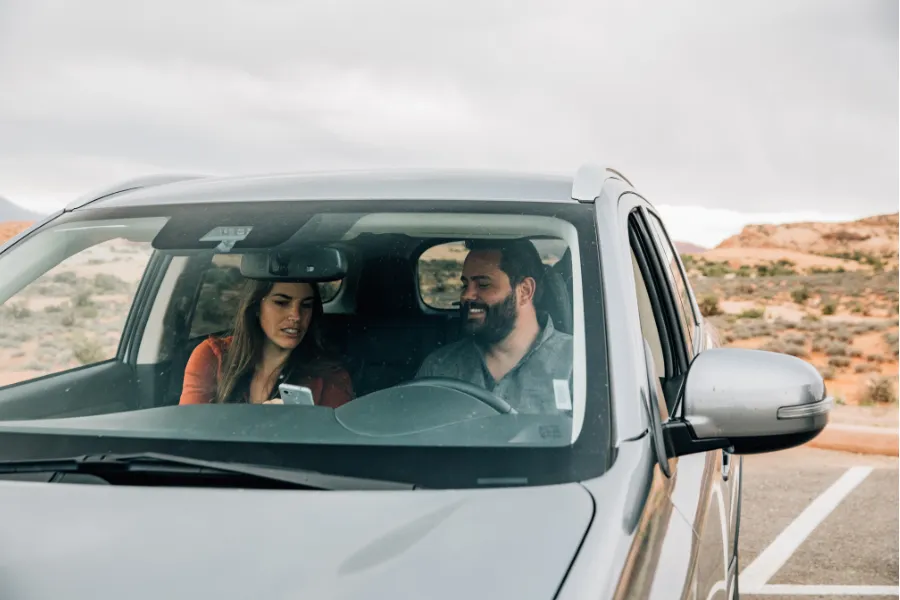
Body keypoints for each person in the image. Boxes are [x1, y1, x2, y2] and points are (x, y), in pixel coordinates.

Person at [415, 239, 573, 414]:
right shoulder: (440, 367)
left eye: (483, 284)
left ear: (525, 291)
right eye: (465, 285)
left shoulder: (576, 363)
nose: (467, 295)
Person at [180, 278, 354, 407]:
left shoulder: (330, 377)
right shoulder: (212, 356)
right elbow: (188, 434)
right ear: (256, 307)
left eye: (306, 305)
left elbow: (334, 450)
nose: (296, 316)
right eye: (281, 302)